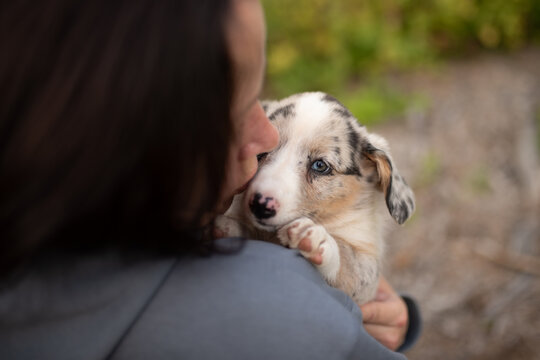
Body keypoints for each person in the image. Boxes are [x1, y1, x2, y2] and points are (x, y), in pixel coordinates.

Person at [0, 0, 420, 358]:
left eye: (261, 97)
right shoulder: (280, 313)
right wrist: (345, 325)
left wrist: (381, 310)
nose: (265, 136)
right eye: (238, 108)